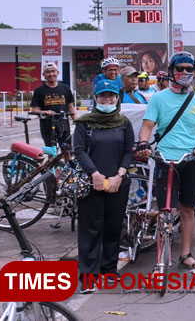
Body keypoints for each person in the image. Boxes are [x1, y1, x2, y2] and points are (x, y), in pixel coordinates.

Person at [135, 51, 195, 273]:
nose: (184, 73)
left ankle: (186, 254)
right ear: (171, 71)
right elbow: (147, 126)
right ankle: (161, 258)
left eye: (189, 69)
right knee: (165, 210)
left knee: (188, 208)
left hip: (191, 159)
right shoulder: (159, 98)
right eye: (179, 68)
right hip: (164, 159)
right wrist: (143, 143)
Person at [73, 79, 134, 293]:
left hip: (118, 182)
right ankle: (88, 276)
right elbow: (79, 150)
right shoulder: (84, 123)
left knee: (112, 227)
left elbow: (129, 151)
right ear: (95, 98)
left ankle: (109, 270)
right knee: (90, 229)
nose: (107, 99)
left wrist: (120, 174)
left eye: (111, 95)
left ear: (117, 98)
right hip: (92, 183)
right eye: (102, 95)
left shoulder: (124, 123)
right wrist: (94, 174)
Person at [30, 63, 77, 147]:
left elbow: (71, 107)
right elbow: (34, 110)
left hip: (63, 125)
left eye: (53, 71)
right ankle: (52, 160)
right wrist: (45, 112)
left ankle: (65, 160)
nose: (51, 74)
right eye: (48, 72)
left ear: (57, 72)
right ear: (44, 75)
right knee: (51, 152)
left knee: (67, 151)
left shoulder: (65, 88)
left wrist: (77, 121)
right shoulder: (39, 91)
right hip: (47, 126)